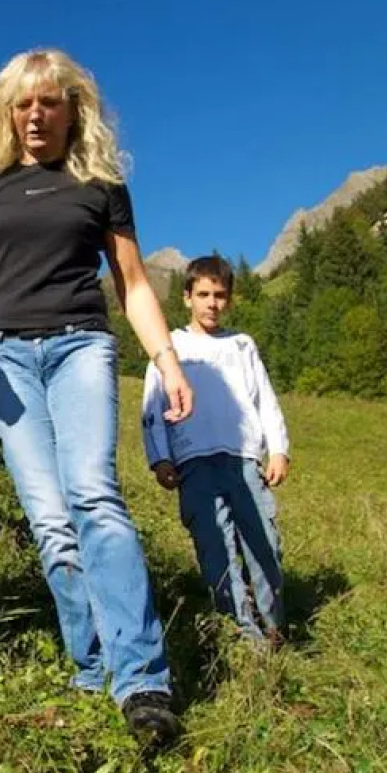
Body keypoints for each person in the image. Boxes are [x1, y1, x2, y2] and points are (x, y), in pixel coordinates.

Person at [0, 49, 194, 744]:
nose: (36, 114)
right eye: (23, 103)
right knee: (49, 520)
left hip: (81, 344)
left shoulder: (101, 185)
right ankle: (92, 667)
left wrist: (168, 361)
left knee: (94, 496)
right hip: (3, 357)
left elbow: (133, 284)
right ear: (7, 114)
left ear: (75, 109)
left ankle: (143, 681)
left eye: (50, 101)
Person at [142, 255, 290, 648]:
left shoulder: (242, 346)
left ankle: (273, 624)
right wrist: (159, 457)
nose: (212, 303)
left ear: (230, 300)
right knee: (215, 546)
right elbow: (152, 407)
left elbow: (265, 400)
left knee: (265, 543)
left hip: (243, 459)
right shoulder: (169, 348)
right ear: (187, 297)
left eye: (220, 295)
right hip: (194, 462)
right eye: (203, 294)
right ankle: (241, 632)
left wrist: (277, 449)